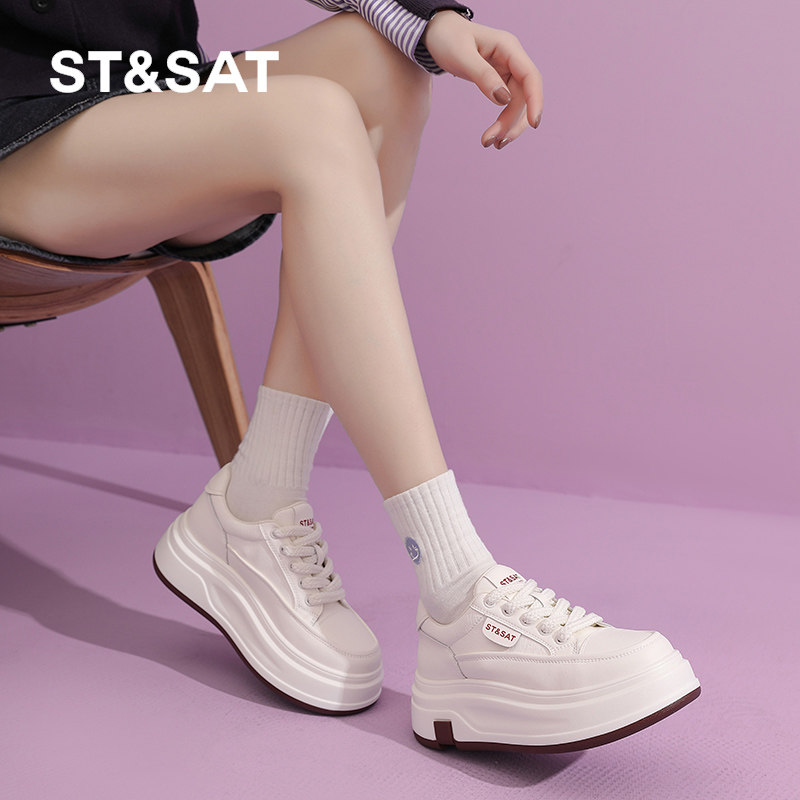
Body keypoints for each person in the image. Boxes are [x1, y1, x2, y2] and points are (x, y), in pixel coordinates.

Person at [0, 0, 699, 752]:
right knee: (313, 120)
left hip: (144, 83)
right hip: (20, 121)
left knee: (384, 65)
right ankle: (459, 592)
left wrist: (429, 20)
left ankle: (257, 500)